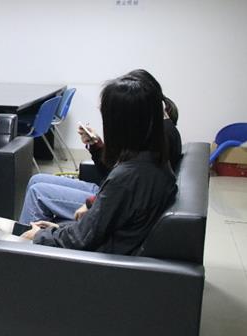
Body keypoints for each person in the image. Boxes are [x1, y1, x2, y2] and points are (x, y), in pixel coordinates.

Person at [0, 72, 179, 336]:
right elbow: (94, 228)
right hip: (94, 251)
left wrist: (41, 237)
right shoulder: (151, 161)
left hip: (85, 267)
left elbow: (82, 240)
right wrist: (55, 229)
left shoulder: (128, 177)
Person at [19, 69, 182, 226]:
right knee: (36, 179)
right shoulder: (154, 133)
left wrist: (92, 203)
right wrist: (97, 146)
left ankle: (22, 243)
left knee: (37, 192)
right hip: (108, 189)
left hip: (109, 196)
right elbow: (116, 173)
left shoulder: (161, 138)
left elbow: (128, 186)